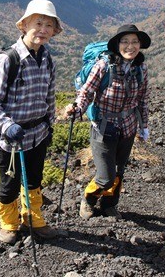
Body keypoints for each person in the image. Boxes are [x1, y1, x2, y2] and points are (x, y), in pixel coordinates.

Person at [0, 0, 61, 245]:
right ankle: (8, 223)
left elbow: (49, 95)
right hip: (11, 139)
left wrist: (50, 123)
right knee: (10, 183)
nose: (43, 29)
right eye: (38, 23)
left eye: (49, 25)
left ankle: (32, 217)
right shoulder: (8, 60)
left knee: (35, 178)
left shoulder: (47, 59)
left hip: (38, 132)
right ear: (24, 25)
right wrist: (7, 126)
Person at [65, 24, 151, 220]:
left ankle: (109, 204)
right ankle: (88, 199)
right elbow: (86, 92)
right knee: (105, 176)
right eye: (125, 42)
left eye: (135, 42)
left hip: (128, 127)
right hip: (104, 127)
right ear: (117, 45)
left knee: (119, 170)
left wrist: (144, 126)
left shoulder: (141, 68)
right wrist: (77, 108)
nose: (131, 46)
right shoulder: (104, 66)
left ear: (140, 45)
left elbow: (143, 99)